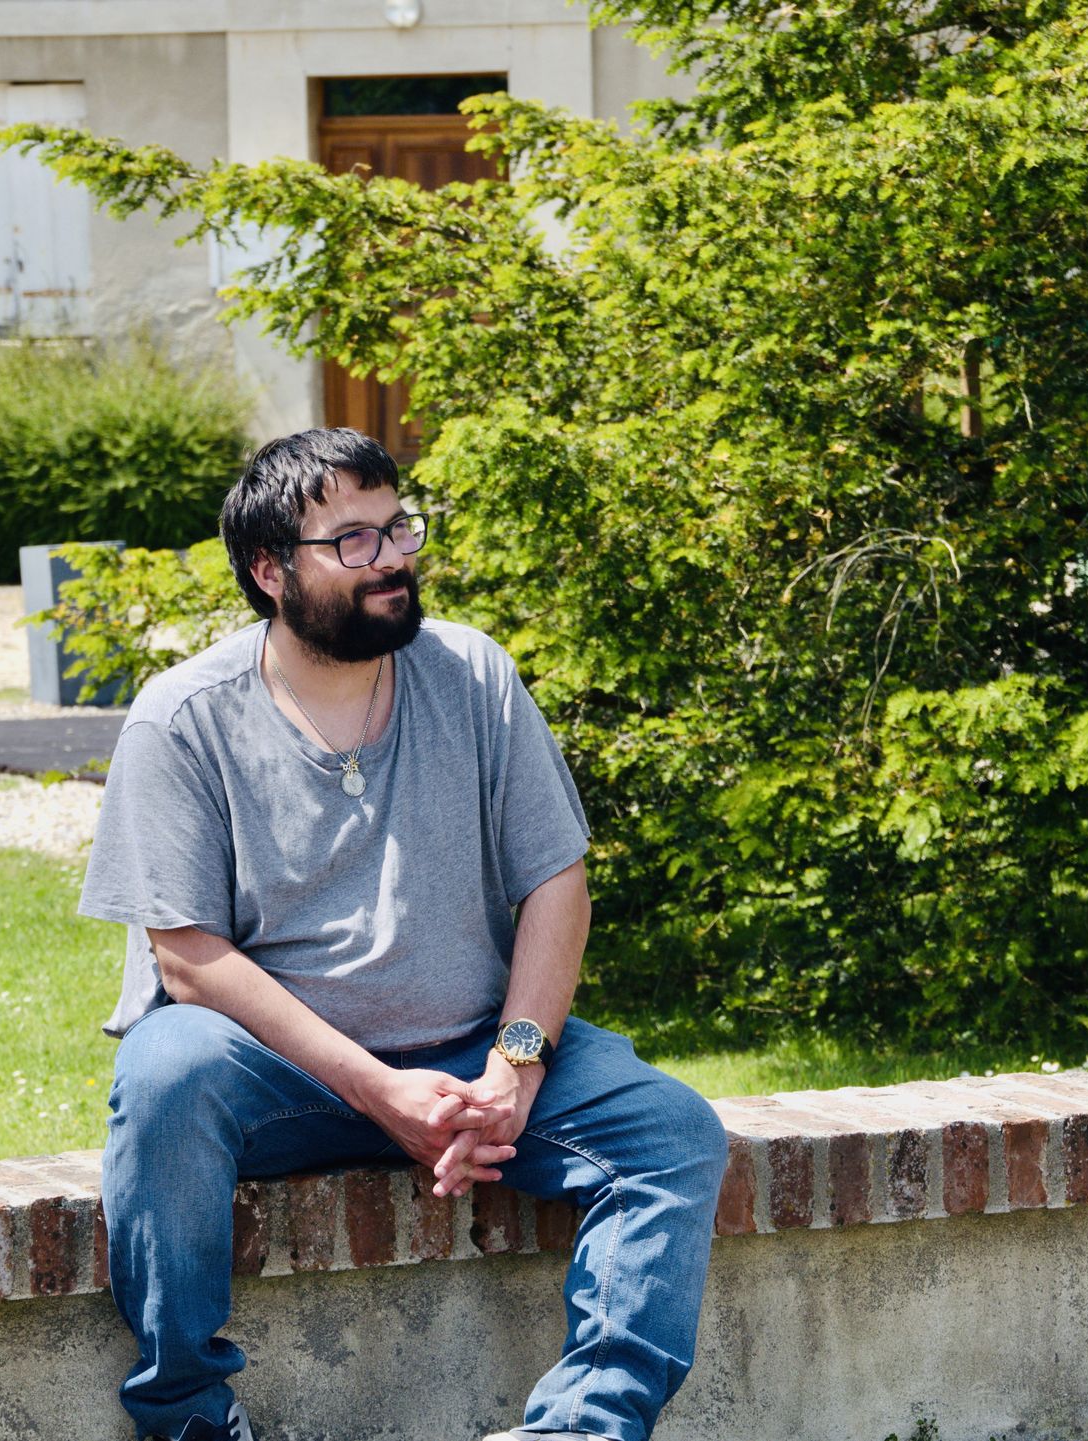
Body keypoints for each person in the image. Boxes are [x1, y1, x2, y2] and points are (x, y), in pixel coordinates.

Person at [76, 428, 729, 1441]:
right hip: (280, 1077)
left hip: (472, 1058)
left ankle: (581, 1428)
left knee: (671, 1133)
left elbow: (557, 882)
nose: (391, 559)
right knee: (166, 1072)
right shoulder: (183, 718)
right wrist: (380, 1092)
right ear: (270, 571)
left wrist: (515, 1067)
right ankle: (188, 1417)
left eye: (398, 528)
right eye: (354, 541)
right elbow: (188, 960)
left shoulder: (471, 672)